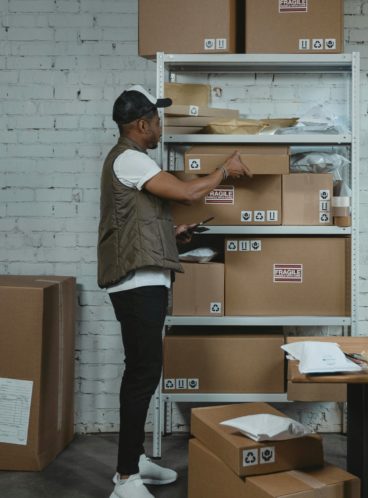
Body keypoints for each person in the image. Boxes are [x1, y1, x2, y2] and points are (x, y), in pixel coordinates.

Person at [97, 85, 252, 498]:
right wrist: (224, 170)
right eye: (157, 119)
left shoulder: (135, 163)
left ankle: (135, 459)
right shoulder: (129, 159)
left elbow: (140, 223)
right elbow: (187, 192)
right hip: (136, 284)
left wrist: (173, 233)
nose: (161, 126)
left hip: (144, 279)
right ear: (142, 124)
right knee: (141, 375)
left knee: (144, 373)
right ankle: (126, 478)